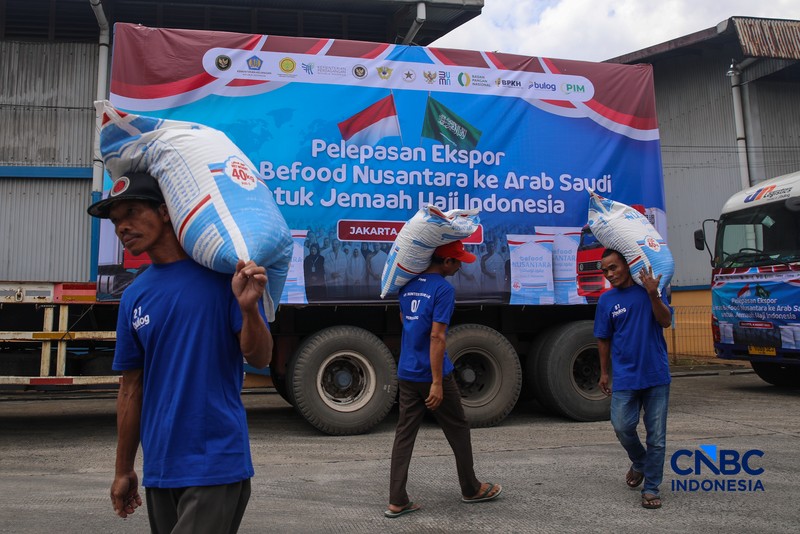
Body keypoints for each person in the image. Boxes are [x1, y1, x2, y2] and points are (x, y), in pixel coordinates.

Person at [87, 172, 273, 533]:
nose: (122, 227)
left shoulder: (224, 278)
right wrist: (124, 468)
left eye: (131, 213)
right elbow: (130, 388)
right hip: (160, 467)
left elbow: (261, 357)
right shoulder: (133, 297)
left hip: (215, 461)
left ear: (166, 211)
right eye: (115, 221)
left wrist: (249, 309)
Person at [386, 240, 503, 519]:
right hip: (431, 372)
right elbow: (437, 336)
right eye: (458, 261)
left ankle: (397, 499)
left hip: (406, 371)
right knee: (458, 428)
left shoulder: (407, 285)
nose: (460, 266)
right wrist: (437, 382)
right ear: (446, 262)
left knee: (404, 435)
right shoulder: (443, 289)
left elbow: (407, 320)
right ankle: (471, 488)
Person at [594, 249, 672, 510]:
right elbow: (603, 338)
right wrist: (604, 372)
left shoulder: (650, 290)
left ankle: (651, 488)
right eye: (605, 270)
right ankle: (640, 460)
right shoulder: (606, 301)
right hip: (626, 377)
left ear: (627, 266)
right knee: (621, 426)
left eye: (613, 268)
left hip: (656, 375)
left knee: (657, 437)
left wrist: (653, 294)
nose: (609, 274)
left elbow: (666, 321)